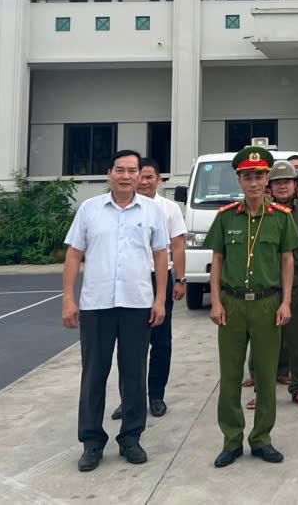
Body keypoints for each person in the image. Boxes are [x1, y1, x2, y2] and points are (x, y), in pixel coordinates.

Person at [61, 150, 169, 472]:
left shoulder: (151, 211)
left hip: (137, 304)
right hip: (96, 306)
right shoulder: (90, 210)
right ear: (109, 174)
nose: (125, 176)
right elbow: (73, 255)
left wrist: (160, 299)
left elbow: (161, 256)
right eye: (119, 170)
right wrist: (69, 299)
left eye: (132, 171)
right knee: (93, 375)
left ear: (140, 176)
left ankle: (131, 439)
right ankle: (92, 443)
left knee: (135, 376)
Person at [207, 145, 298, 468]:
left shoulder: (281, 219)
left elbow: (287, 260)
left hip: (267, 304)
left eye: (259, 177)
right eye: (247, 177)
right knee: (230, 376)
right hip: (232, 306)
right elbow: (217, 261)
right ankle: (232, 440)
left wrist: (286, 302)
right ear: (239, 180)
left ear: (267, 180)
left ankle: (261, 438)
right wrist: (216, 301)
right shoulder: (225, 219)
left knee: (265, 375)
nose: (253, 183)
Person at [111, 157, 186, 421]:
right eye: (139, 176)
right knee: (129, 344)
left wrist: (181, 279)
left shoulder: (168, 209)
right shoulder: (122, 208)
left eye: (149, 177)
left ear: (159, 180)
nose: (143, 181)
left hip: (159, 279)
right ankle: (129, 399)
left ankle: (156, 396)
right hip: (132, 280)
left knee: (161, 341)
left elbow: (177, 246)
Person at [246, 161, 298, 411]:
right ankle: (262, 391)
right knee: (263, 342)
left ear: (295, 184)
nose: (282, 186)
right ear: (270, 185)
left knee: (297, 343)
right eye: (277, 182)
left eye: (287, 182)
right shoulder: (259, 211)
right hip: (265, 287)